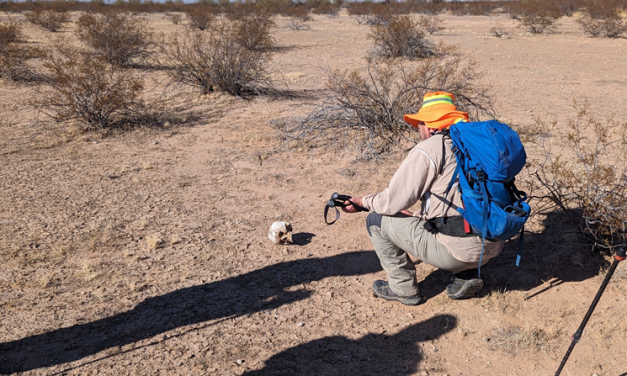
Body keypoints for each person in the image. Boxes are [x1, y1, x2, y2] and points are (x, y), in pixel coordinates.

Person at [342, 92, 505, 305]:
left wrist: (362, 202)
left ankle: (403, 290)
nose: (418, 129)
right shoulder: (478, 146)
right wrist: (418, 215)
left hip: (455, 251)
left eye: (419, 123)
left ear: (429, 125)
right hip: (493, 244)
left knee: (376, 220)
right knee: (461, 215)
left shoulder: (429, 149)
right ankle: (466, 275)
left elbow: (392, 201)